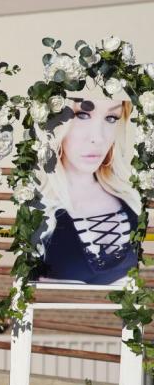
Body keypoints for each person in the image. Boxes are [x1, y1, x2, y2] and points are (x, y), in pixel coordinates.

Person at [36, 98, 139, 284]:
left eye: (111, 118)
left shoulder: (131, 200)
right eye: (81, 115)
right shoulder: (36, 210)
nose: (98, 138)